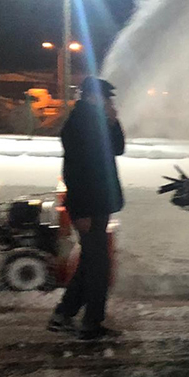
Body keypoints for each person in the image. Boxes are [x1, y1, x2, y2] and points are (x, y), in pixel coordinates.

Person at [47, 76, 125, 340]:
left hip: (98, 204)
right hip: (88, 207)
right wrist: (79, 212)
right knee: (98, 266)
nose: (110, 102)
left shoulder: (96, 121)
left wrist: (113, 122)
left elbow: (117, 149)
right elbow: (75, 173)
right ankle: (91, 323)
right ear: (93, 97)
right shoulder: (79, 124)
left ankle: (63, 315)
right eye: (107, 98)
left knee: (90, 263)